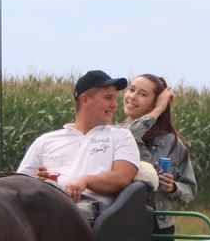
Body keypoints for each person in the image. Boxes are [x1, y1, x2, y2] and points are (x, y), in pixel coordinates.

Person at [17, 70, 139, 224]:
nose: (114, 105)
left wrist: (85, 181)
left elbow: (122, 177)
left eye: (115, 98)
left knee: (62, 215)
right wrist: (36, 181)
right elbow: (19, 184)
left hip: (90, 208)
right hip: (44, 203)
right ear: (85, 100)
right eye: (108, 98)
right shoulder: (46, 141)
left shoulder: (121, 137)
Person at [121, 74, 197, 241]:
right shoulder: (117, 135)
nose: (132, 96)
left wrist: (173, 188)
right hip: (121, 222)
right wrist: (159, 109)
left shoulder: (173, 144)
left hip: (160, 227)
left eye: (142, 94)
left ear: (152, 102)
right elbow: (130, 134)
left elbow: (190, 190)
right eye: (131, 89)